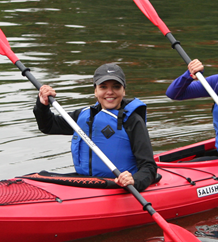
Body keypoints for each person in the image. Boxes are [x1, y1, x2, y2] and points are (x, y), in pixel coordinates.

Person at [34, 63, 157, 191]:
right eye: (103, 87)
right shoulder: (83, 115)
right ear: (95, 91)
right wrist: (42, 105)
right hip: (86, 182)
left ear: (123, 90)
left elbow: (149, 167)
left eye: (116, 86)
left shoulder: (132, 121)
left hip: (118, 185)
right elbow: (48, 126)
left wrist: (134, 181)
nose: (110, 92)